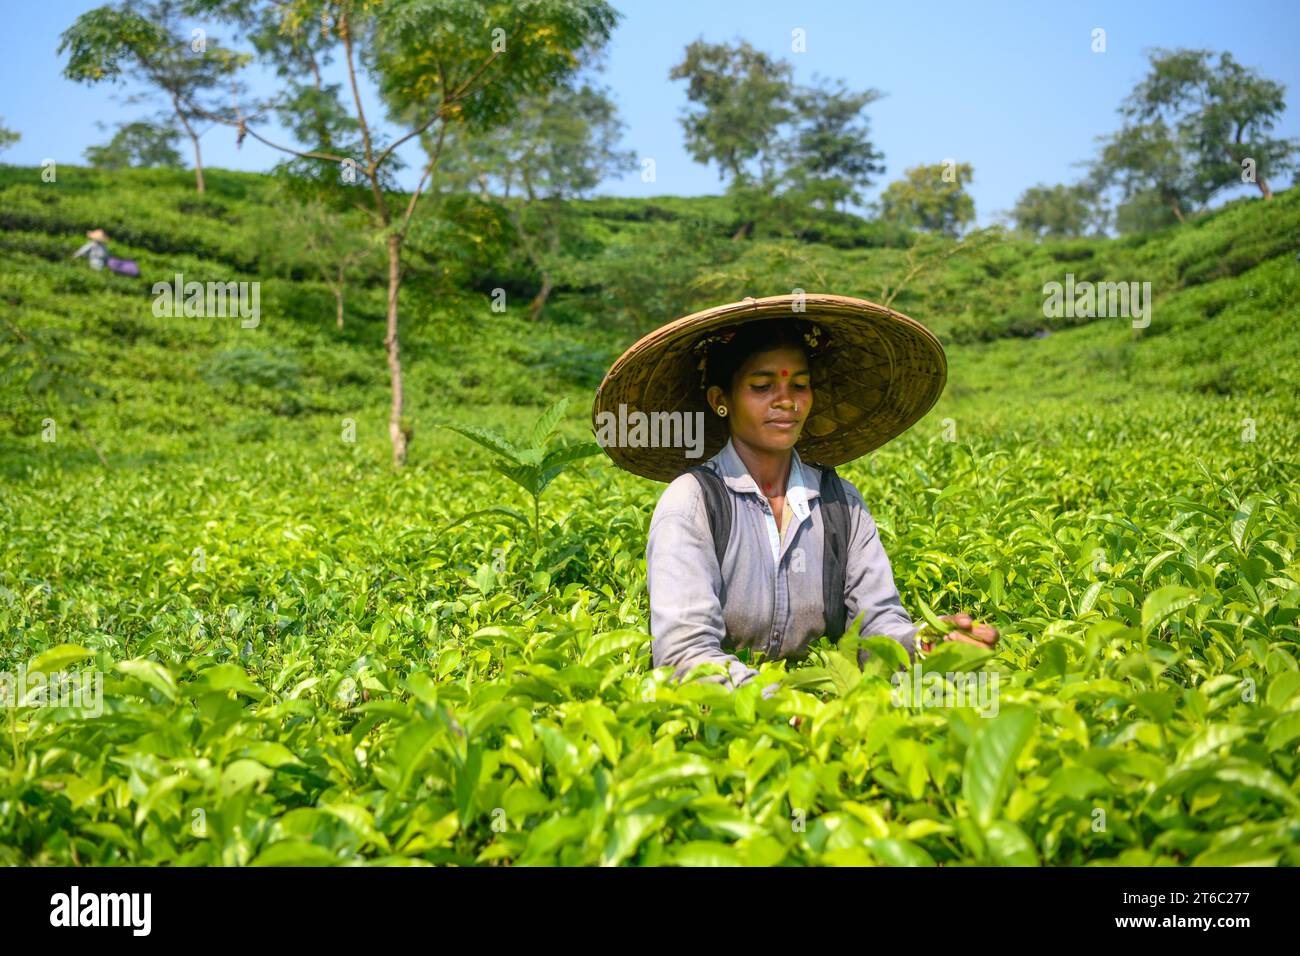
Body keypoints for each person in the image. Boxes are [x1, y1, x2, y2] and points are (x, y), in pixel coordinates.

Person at [591, 293, 999, 695]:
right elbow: (684, 655)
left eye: (799, 385)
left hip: (830, 723)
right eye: (762, 385)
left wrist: (924, 645)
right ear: (721, 401)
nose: (786, 401)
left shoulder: (840, 503)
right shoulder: (693, 503)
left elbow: (876, 628)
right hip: (725, 731)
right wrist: (782, 706)